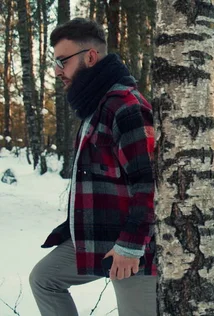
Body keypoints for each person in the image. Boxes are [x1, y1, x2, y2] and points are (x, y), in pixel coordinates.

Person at [29, 18, 156, 316]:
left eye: (63, 61)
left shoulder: (126, 106)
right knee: (44, 279)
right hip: (95, 237)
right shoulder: (95, 108)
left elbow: (149, 184)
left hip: (132, 248)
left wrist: (130, 246)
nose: (58, 71)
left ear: (90, 57)